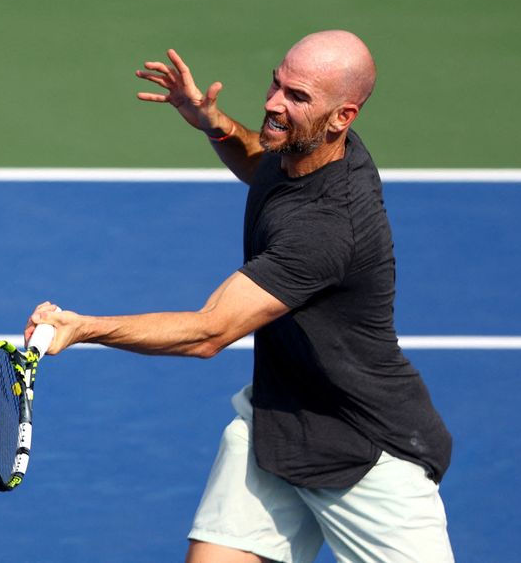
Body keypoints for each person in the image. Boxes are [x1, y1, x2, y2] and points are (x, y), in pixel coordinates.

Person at [25, 30, 454, 563]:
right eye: (277, 84)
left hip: (366, 455)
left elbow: (209, 332)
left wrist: (84, 327)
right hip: (277, 422)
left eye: (297, 98)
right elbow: (261, 163)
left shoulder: (327, 226)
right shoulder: (303, 149)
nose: (274, 104)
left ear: (342, 117)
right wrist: (213, 123)